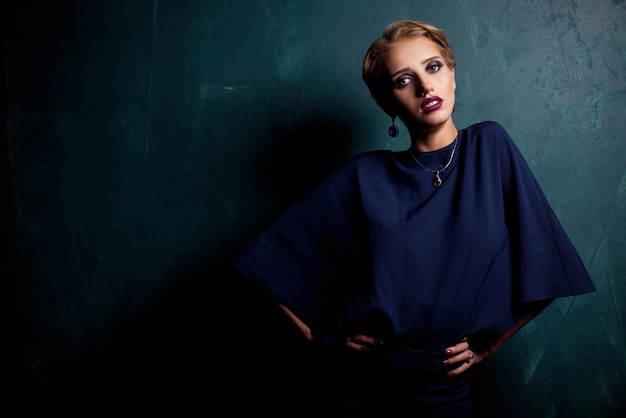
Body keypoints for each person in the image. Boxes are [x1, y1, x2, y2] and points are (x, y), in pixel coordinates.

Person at [230, 20, 595, 417]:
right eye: (404, 80)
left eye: (433, 67)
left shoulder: (491, 147)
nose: (425, 87)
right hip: (356, 389)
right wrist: (322, 336)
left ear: (453, 73)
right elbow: (264, 261)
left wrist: (490, 344)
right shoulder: (364, 176)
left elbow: (549, 260)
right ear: (388, 103)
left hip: (443, 389)